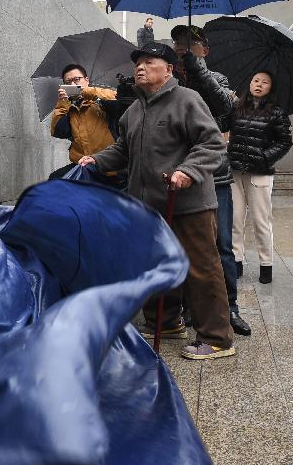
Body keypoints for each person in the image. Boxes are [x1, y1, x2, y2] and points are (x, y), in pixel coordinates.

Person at [79, 42, 235, 360]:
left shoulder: (188, 100)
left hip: (189, 204)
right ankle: (165, 323)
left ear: (168, 69)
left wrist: (188, 171)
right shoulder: (134, 110)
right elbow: (123, 150)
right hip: (150, 207)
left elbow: (212, 143)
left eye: (150, 62)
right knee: (156, 265)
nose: (140, 67)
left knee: (201, 268)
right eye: (138, 62)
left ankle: (217, 337)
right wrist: (95, 160)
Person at [171, 25, 251, 336]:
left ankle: (230, 307)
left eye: (190, 42)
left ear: (205, 49)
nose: (182, 46)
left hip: (215, 176)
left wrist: (197, 69)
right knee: (185, 244)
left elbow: (224, 107)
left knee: (222, 246)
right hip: (180, 175)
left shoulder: (219, 80)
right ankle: (190, 306)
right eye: (178, 42)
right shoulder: (170, 82)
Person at [228, 71, 293, 284]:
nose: (258, 84)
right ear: (250, 83)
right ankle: (236, 262)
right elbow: (223, 126)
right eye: (256, 80)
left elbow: (285, 142)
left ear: (270, 88)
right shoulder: (237, 108)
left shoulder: (276, 113)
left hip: (260, 174)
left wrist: (264, 158)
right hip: (236, 171)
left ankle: (266, 265)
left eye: (264, 82)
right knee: (235, 220)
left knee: (261, 222)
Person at [48, 64, 117, 180]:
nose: (73, 84)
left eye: (76, 79)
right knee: (55, 179)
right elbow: (57, 131)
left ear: (86, 80)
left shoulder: (99, 99)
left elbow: (116, 98)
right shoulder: (69, 108)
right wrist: (63, 103)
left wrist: (85, 92)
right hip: (83, 166)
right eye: (68, 82)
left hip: (109, 166)